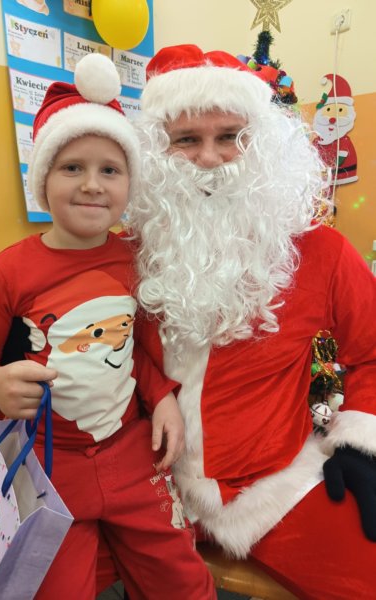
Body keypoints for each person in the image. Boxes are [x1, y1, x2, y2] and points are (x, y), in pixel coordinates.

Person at [0, 53, 215, 600]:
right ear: (43, 179)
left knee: (184, 583)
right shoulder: (7, 272)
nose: (92, 185)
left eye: (110, 170)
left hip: (132, 457)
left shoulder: (136, 258)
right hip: (47, 468)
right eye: (72, 168)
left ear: (128, 184)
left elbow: (138, 350)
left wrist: (162, 397)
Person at [124, 44, 376, 599]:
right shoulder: (125, 253)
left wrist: (360, 445)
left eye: (231, 136)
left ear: (262, 145)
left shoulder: (321, 252)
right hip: (141, 489)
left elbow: (373, 352)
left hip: (271, 490)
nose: (209, 158)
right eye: (186, 140)